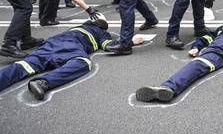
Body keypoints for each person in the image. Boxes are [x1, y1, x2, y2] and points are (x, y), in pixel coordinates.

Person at [0, 18, 144, 100]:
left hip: (50, 43)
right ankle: (44, 82)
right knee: (83, 62)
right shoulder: (100, 32)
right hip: (69, 47)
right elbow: (109, 47)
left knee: (24, 66)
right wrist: (131, 42)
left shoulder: (78, 27)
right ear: (103, 28)